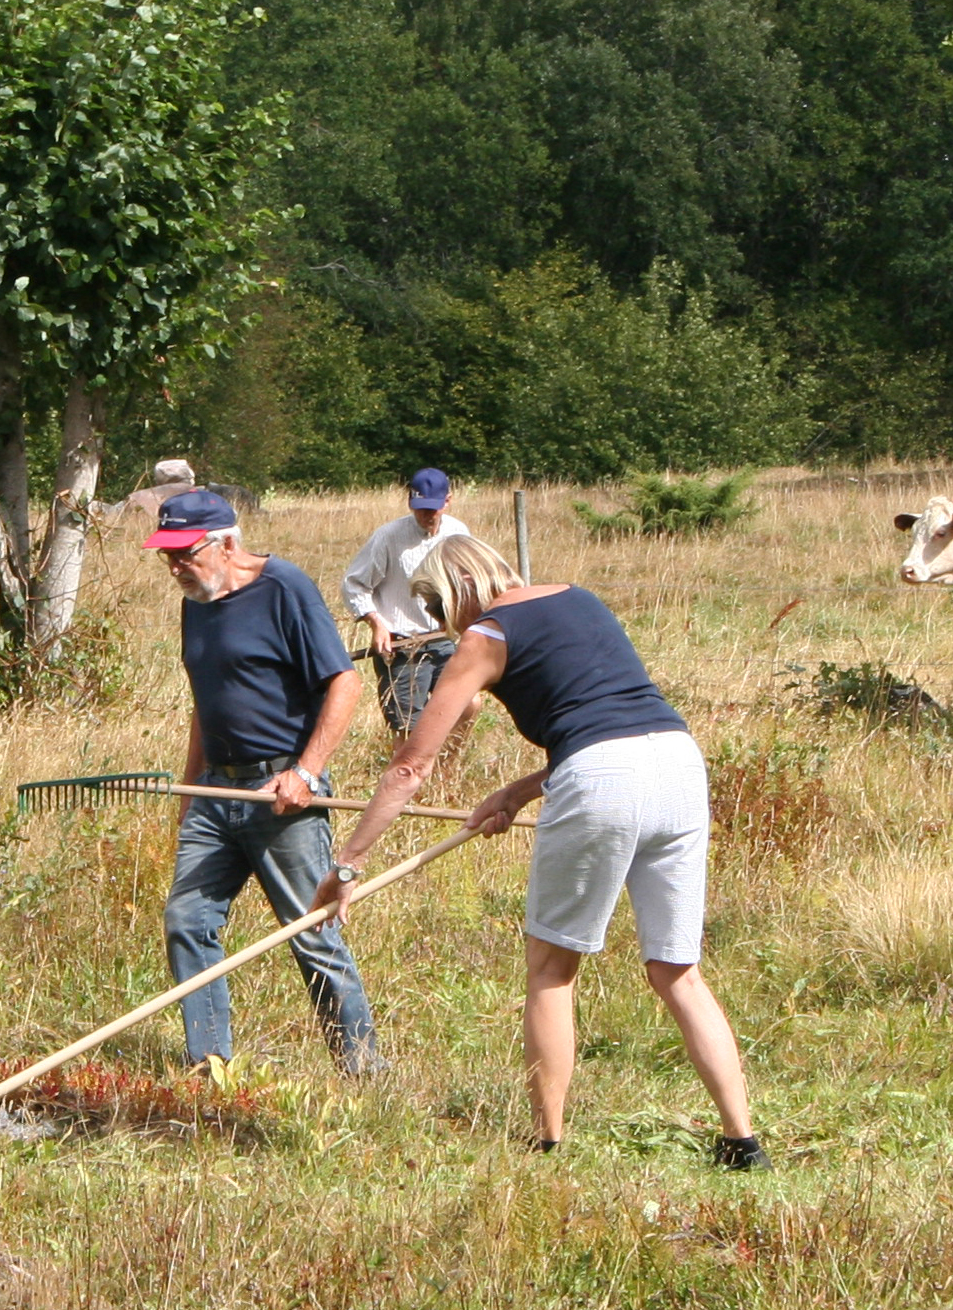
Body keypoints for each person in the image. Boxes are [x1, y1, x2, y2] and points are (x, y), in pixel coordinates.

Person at [311, 533, 764, 1166]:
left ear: (455, 591)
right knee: (676, 969)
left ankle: (547, 1141)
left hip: (604, 779)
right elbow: (608, 719)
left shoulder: (485, 635)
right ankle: (742, 1141)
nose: (448, 629)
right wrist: (521, 791)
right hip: (680, 766)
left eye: (441, 614)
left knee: (553, 970)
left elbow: (411, 766)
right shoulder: (582, 599)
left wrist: (347, 864)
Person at [146, 487, 383, 1075]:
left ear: (227, 542)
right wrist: (191, 789)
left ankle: (363, 1070)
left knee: (311, 934)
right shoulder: (196, 599)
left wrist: (305, 772)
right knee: (188, 921)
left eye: (185, 553)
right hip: (215, 791)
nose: (176, 566)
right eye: (166, 556)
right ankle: (209, 1065)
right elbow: (207, 703)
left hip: (281, 797)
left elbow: (344, 682)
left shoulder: (285, 588)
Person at [339, 467, 473, 733]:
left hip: (442, 640)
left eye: (432, 508)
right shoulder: (389, 537)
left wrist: (459, 617)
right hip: (402, 647)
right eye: (419, 507)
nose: (426, 515)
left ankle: (446, 771)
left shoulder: (458, 533)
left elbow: (466, 581)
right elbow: (354, 584)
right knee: (409, 728)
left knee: (468, 705)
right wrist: (377, 624)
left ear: (448, 501)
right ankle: (409, 769)